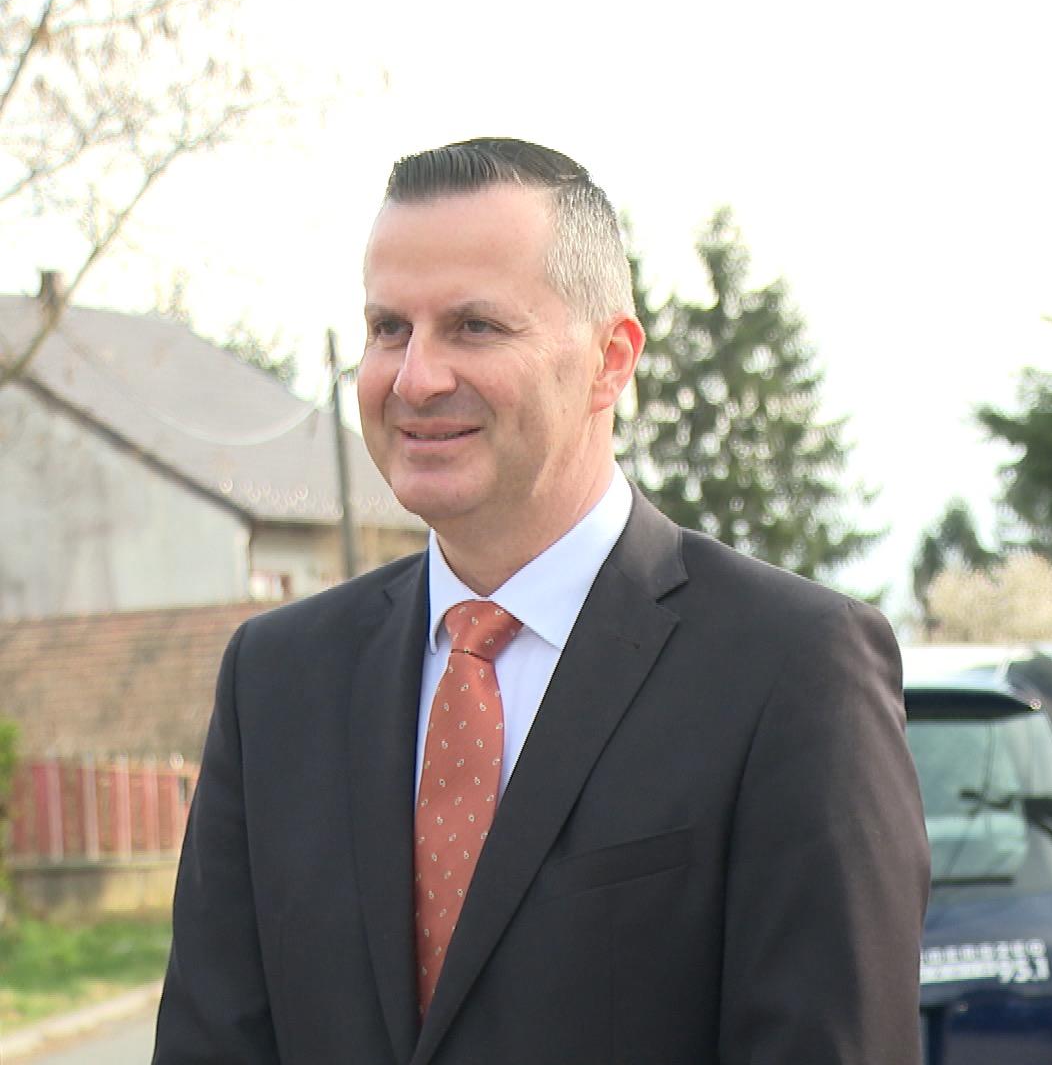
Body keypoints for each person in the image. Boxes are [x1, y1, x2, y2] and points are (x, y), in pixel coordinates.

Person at [154, 138, 930, 1064]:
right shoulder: (278, 679)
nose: (416, 378)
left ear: (610, 360)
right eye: (390, 328)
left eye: (475, 326)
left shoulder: (792, 669)